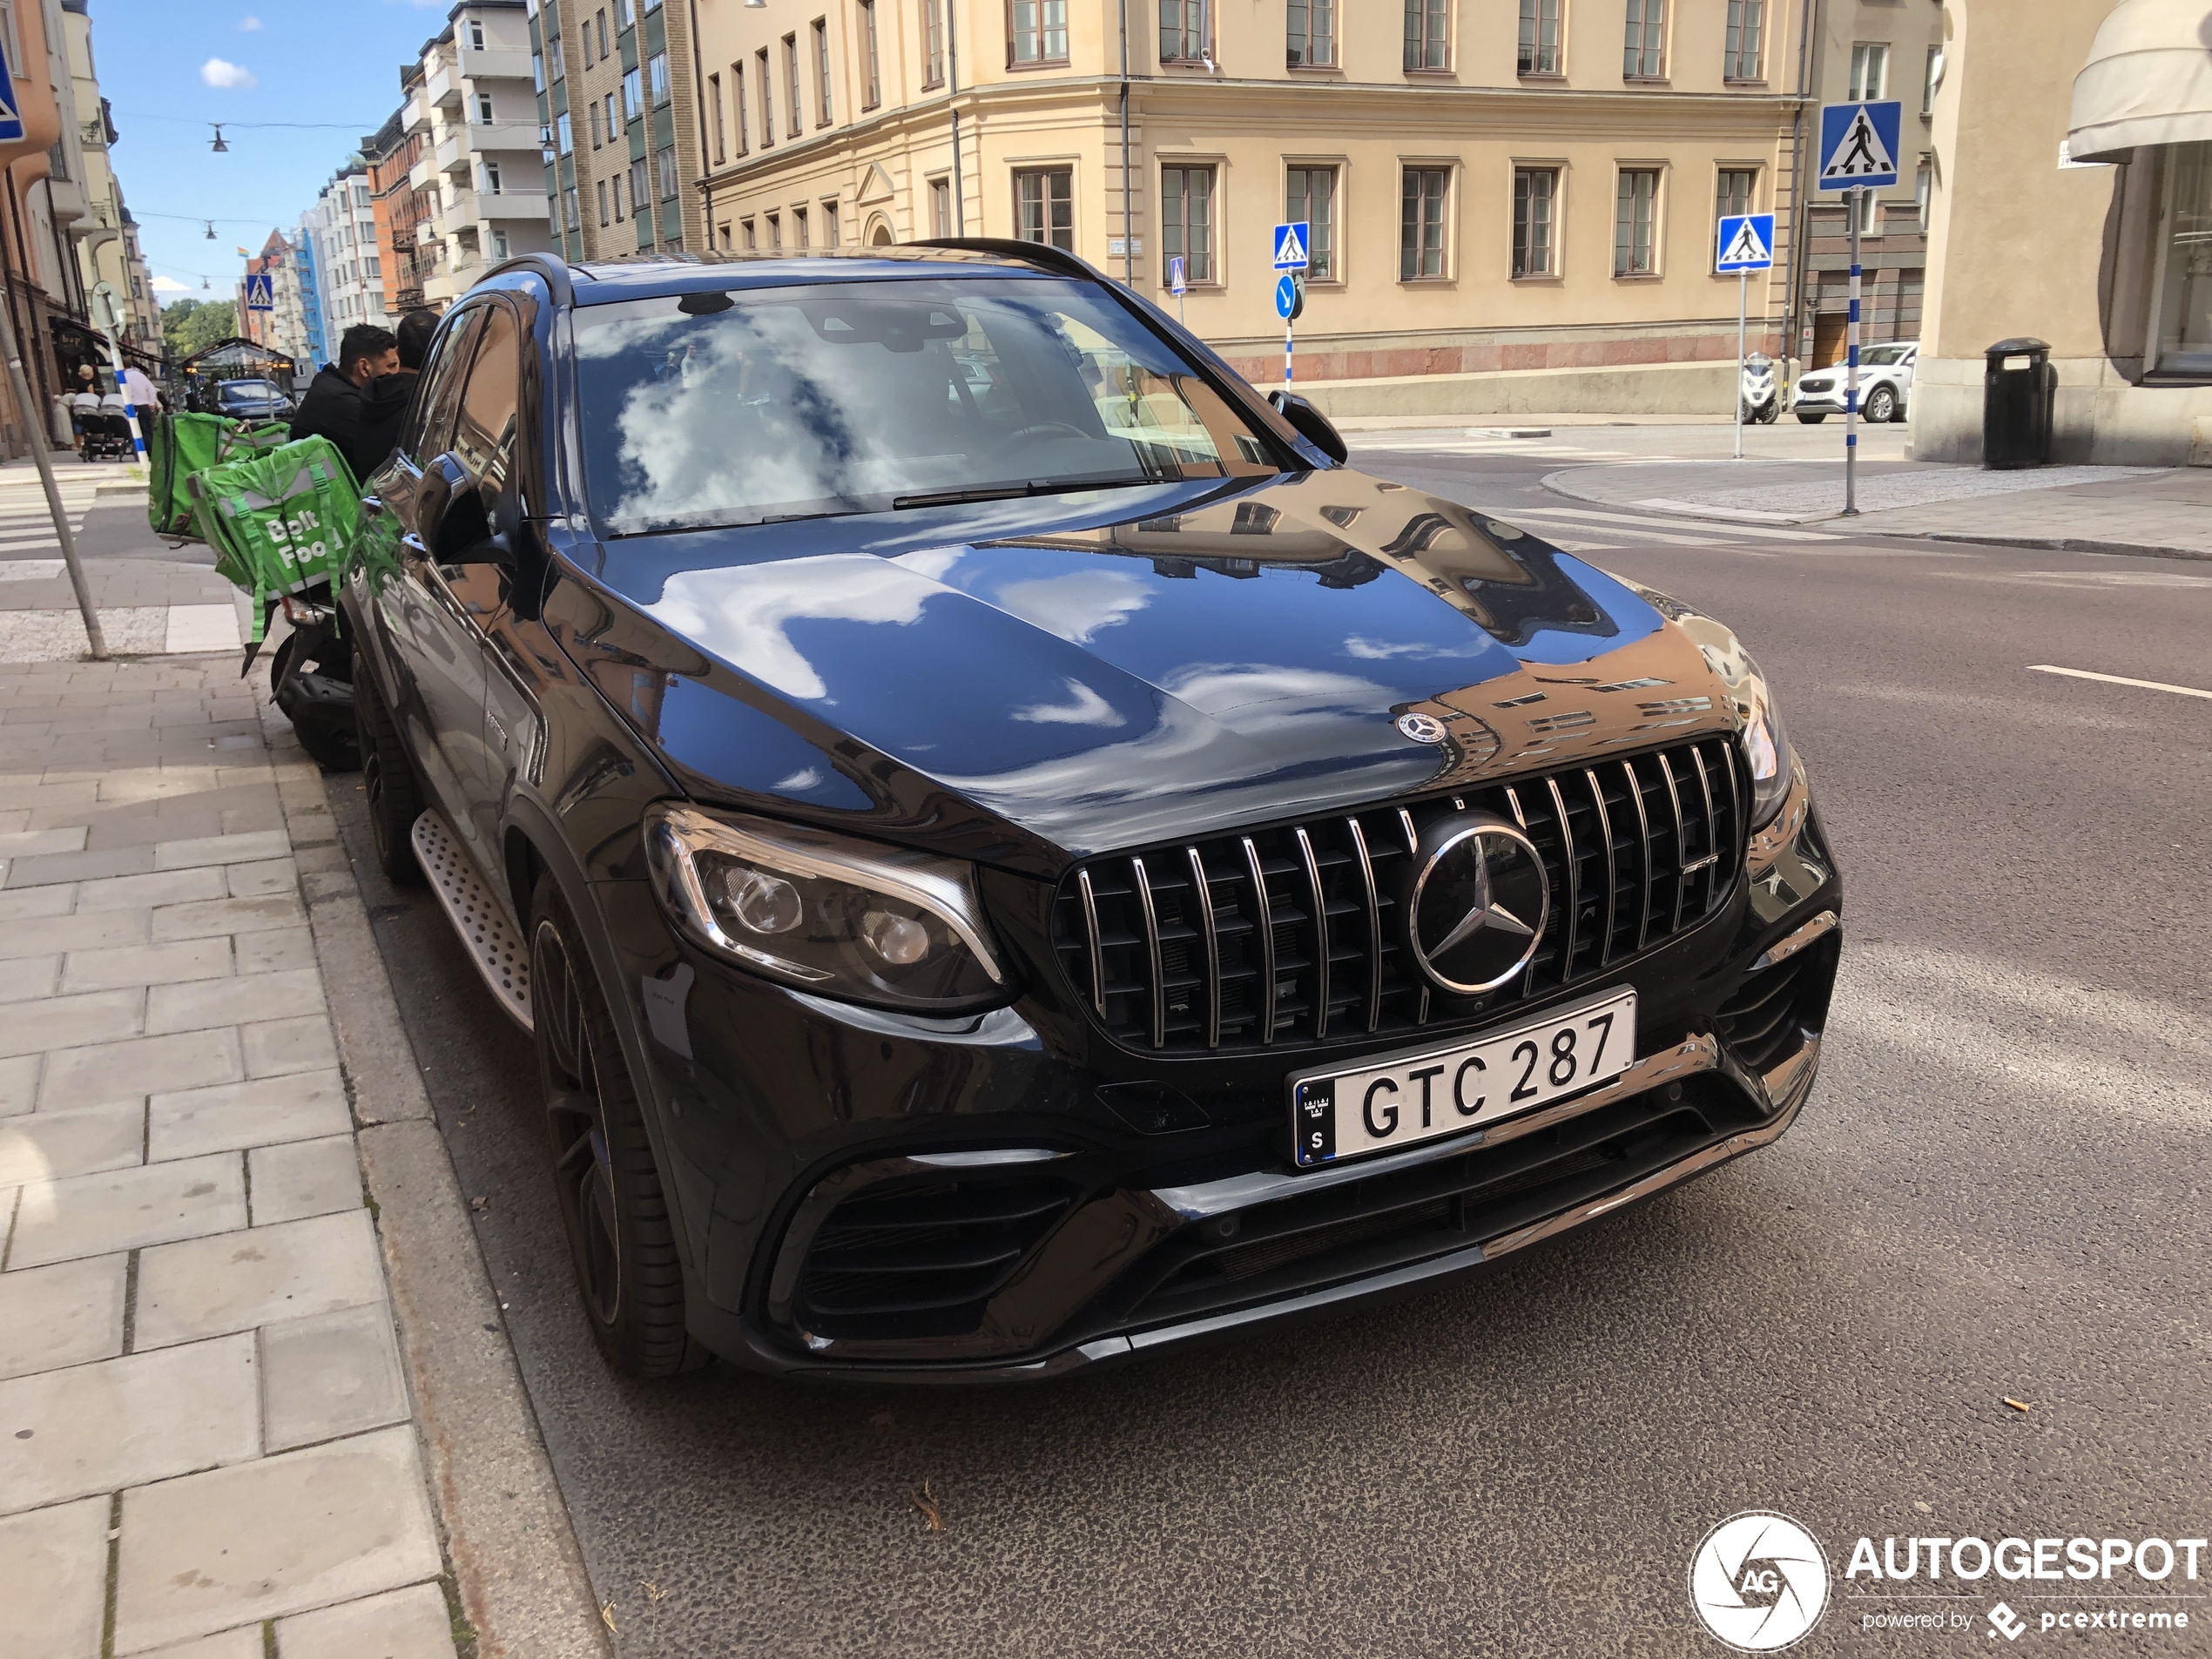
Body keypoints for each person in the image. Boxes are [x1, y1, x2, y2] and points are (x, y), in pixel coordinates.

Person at [288, 323, 401, 482]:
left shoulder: (332, 387)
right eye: (391, 366)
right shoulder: (338, 401)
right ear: (364, 367)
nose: (397, 373)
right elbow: (393, 449)